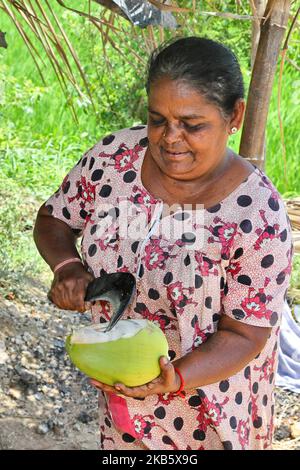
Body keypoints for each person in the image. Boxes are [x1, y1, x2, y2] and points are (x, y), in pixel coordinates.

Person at [34, 37, 293, 450]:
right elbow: (54, 219)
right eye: (158, 120)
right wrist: (67, 266)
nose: (171, 138)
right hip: (122, 391)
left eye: (192, 125)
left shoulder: (257, 214)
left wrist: (176, 376)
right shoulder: (112, 160)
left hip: (208, 407)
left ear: (235, 116)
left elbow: (246, 334)